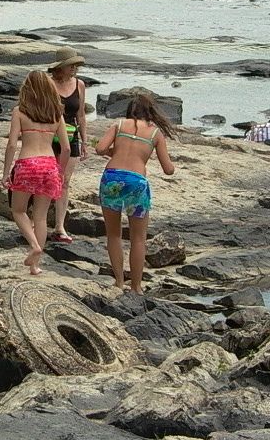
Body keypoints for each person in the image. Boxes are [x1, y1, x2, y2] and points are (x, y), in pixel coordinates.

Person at [94, 93, 176, 295]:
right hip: (136, 182)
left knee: (113, 234)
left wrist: (116, 153)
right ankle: (136, 287)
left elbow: (100, 148)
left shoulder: (119, 125)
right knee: (138, 238)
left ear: (129, 110)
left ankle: (119, 282)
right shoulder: (155, 133)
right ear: (151, 112)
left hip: (111, 178)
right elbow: (168, 169)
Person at [1, 71, 70, 276]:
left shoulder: (19, 112)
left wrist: (6, 172)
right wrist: (61, 171)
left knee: (18, 210)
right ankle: (35, 266)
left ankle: (34, 245)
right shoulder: (56, 114)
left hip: (27, 164)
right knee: (40, 217)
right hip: (49, 164)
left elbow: (12, 144)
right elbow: (66, 148)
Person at [47, 47, 87, 244]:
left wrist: (85, 140)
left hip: (71, 137)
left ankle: (59, 226)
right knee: (48, 178)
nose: (74, 69)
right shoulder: (48, 84)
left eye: (76, 66)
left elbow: (81, 115)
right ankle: (39, 219)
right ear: (60, 68)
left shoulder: (79, 84)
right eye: (71, 66)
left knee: (65, 180)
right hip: (50, 137)